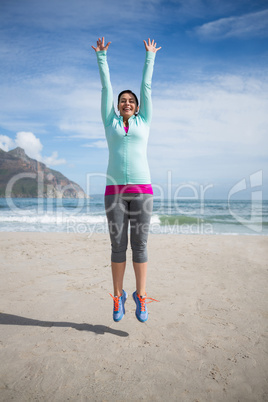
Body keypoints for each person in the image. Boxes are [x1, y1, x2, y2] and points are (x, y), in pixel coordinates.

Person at [91, 37, 161, 323]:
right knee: (118, 247)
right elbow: (106, 88)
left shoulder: (145, 121)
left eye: (131, 101)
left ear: (137, 106)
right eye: (123, 101)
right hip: (114, 193)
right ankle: (118, 296)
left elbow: (147, 86)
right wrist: (102, 58)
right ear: (118, 106)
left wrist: (149, 57)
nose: (127, 103)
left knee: (141, 246)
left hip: (142, 191)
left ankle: (141, 296)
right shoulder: (111, 122)